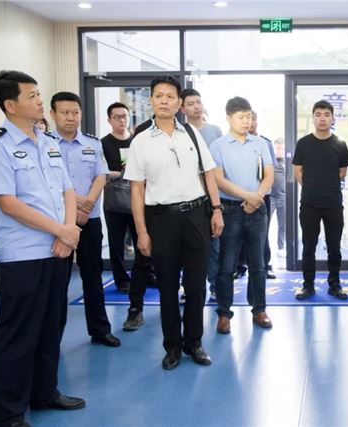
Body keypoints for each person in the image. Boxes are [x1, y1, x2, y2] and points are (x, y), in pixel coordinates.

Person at [0, 70, 85, 427]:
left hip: (57, 250)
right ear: (10, 105)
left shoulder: (48, 141)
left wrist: (67, 232)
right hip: (23, 256)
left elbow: (67, 190)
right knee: (18, 335)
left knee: (51, 328)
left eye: (39, 94)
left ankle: (44, 393)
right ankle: (8, 414)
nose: (40, 100)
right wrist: (61, 230)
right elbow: (8, 203)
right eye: (32, 96)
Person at [124, 76, 224, 370]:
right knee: (167, 287)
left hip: (196, 216)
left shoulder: (191, 133)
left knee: (196, 285)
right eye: (159, 95)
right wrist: (141, 232)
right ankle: (173, 347)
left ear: (179, 102)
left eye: (170, 96)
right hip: (161, 219)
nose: (164, 100)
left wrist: (216, 210)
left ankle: (194, 342)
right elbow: (137, 190)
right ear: (151, 101)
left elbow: (208, 174)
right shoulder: (141, 141)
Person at [48, 91, 120, 347]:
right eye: (65, 112)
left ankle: (100, 330)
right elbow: (49, 183)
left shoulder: (92, 143)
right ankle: (53, 337)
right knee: (58, 282)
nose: (71, 117)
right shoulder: (44, 144)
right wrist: (77, 203)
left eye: (75, 112)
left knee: (93, 277)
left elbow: (101, 175)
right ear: (53, 114)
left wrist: (87, 203)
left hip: (90, 219)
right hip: (60, 223)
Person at [210, 97, 274, 334]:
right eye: (241, 117)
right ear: (229, 118)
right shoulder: (218, 145)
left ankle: (259, 310)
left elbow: (268, 175)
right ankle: (224, 313)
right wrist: (248, 196)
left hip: (257, 210)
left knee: (258, 264)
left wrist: (257, 197)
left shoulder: (260, 143)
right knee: (227, 265)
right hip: (230, 210)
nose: (246, 121)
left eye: (249, 117)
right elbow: (218, 179)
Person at [100, 102, 155, 332]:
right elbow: (101, 171)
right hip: (115, 201)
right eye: (117, 117)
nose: (121, 120)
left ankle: (148, 275)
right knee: (116, 242)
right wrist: (119, 173)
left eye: (124, 116)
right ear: (109, 120)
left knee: (142, 240)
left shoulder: (136, 141)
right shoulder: (103, 143)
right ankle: (122, 279)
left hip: (138, 200)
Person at [292, 100, 348, 301]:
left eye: (326, 115)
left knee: (334, 247)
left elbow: (342, 172)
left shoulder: (340, 144)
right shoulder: (303, 143)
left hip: (333, 203)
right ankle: (308, 285)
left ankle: (334, 285)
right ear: (313, 118)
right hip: (309, 204)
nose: (322, 118)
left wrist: (326, 185)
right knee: (309, 246)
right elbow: (298, 171)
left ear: (332, 118)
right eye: (318, 114)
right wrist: (311, 186)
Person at [181, 88, 223, 301]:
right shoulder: (180, 132)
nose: (196, 107)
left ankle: (215, 286)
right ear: (182, 108)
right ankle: (187, 287)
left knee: (215, 245)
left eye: (198, 102)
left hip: (213, 197)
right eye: (191, 104)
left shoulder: (215, 131)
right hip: (188, 198)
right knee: (187, 247)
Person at [234, 110, 278, 279]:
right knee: (239, 231)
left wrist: (261, 193)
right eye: (245, 118)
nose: (250, 122)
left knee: (263, 232)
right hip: (241, 195)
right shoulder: (233, 143)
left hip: (262, 194)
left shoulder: (265, 143)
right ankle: (240, 266)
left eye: (253, 119)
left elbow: (271, 170)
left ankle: (265, 265)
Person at [270, 137, 286, 256]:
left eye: (281, 148)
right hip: (271, 198)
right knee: (265, 225)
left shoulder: (289, 162)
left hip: (284, 198)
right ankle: (265, 250)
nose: (279, 151)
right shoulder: (270, 161)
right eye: (277, 148)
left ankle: (281, 248)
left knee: (282, 225)